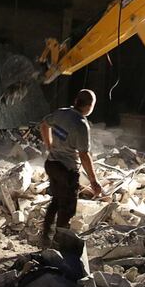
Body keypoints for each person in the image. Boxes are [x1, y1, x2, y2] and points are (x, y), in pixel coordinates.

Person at [38, 89, 103, 247]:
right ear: (89, 106)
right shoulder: (81, 125)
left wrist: (48, 144)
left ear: (75, 100)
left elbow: (44, 124)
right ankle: (58, 244)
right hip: (66, 171)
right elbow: (84, 155)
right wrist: (94, 181)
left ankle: (45, 236)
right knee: (67, 209)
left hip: (52, 165)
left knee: (56, 201)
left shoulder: (61, 113)